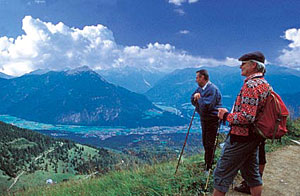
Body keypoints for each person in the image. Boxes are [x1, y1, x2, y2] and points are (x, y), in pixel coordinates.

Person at [214, 51, 270, 196]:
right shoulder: (264, 84)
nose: (240, 67)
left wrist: (226, 115)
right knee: (252, 175)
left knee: (221, 174)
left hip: (241, 137)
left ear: (253, 65)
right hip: (254, 137)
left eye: (244, 64)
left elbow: (247, 117)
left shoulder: (251, 86)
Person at [191, 69, 222, 171]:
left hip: (212, 120)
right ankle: (208, 163)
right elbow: (192, 99)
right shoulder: (200, 89)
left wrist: (198, 99)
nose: (196, 80)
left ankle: (209, 166)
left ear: (202, 77)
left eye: (197, 77)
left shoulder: (212, 89)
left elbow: (207, 106)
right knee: (205, 142)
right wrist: (195, 98)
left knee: (209, 143)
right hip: (204, 119)